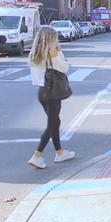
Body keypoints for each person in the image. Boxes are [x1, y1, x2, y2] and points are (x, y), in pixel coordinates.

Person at [27, 27, 75, 169]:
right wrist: (60, 54)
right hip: (52, 92)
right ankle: (37, 156)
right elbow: (64, 68)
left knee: (55, 121)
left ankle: (59, 152)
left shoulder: (34, 53)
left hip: (41, 92)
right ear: (51, 39)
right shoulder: (53, 53)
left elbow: (35, 76)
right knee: (52, 124)